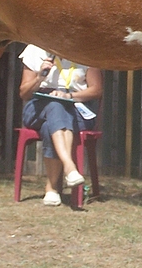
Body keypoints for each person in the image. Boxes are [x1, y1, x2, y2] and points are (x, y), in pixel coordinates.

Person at [19, 45, 103, 206]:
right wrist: (39, 78)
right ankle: (69, 167)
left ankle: (52, 189)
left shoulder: (87, 51)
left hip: (76, 106)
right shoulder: (34, 50)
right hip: (38, 105)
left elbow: (96, 90)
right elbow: (24, 93)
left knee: (51, 120)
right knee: (54, 106)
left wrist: (69, 95)